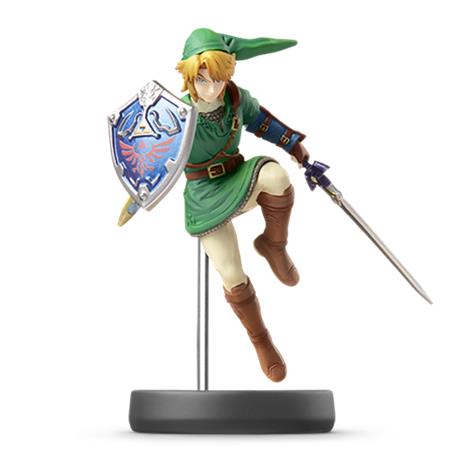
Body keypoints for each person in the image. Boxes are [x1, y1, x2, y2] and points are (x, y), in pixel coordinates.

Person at [176, 28, 310, 382]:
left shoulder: (235, 99)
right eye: (202, 80)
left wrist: (294, 145)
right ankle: (261, 341)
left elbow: (263, 122)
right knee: (232, 275)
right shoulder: (176, 114)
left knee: (276, 176)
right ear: (190, 76)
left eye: (218, 79)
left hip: (238, 176)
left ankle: (273, 245)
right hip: (204, 195)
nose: (211, 88)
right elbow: (153, 157)